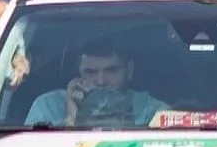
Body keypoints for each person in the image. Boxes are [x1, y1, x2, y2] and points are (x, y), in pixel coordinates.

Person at [25, 38, 168, 127]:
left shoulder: (152, 111)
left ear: (129, 71)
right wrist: (71, 119)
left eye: (111, 71)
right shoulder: (48, 107)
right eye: (90, 72)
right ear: (78, 73)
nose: (101, 81)